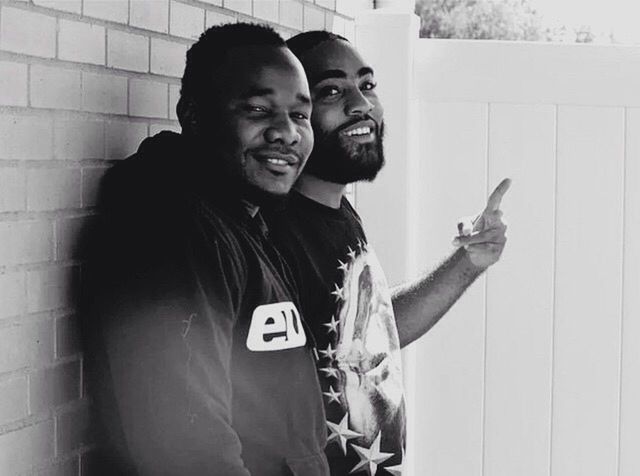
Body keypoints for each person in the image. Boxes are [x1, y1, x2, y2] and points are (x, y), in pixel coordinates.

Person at [81, 24, 330, 476]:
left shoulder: (243, 219)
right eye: (259, 109)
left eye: (300, 115)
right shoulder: (171, 230)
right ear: (193, 114)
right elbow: (188, 447)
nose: (287, 134)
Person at [264, 31, 509, 475]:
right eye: (332, 91)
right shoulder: (274, 231)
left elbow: (367, 335)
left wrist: (469, 261)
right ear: (296, 113)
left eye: (368, 85)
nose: (362, 104)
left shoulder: (339, 212)